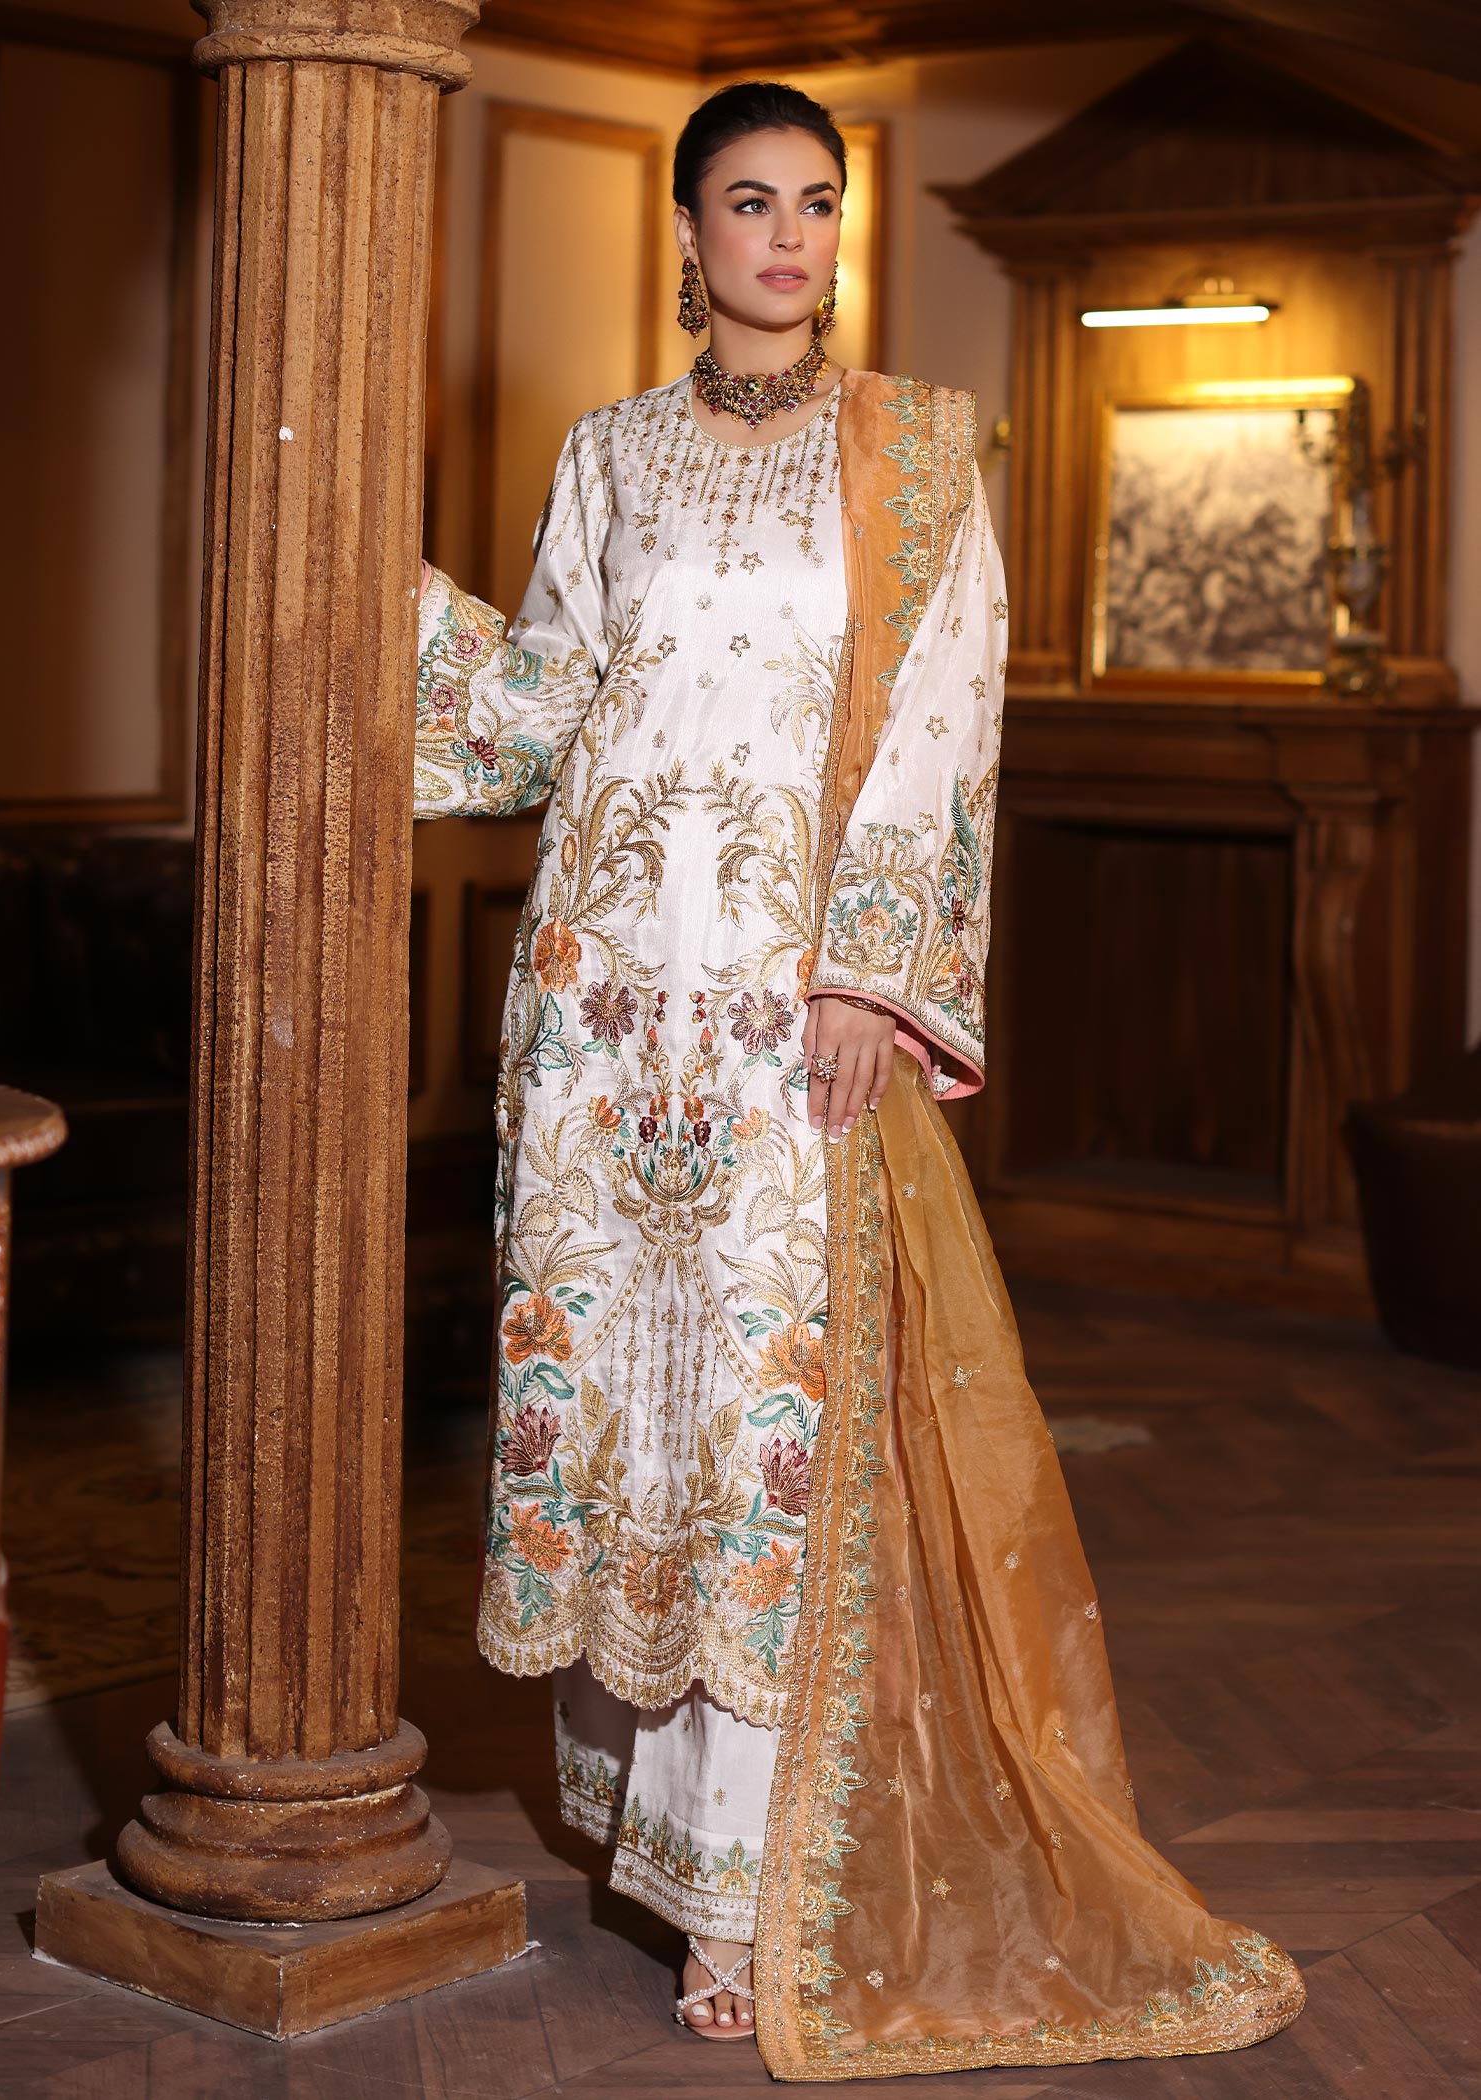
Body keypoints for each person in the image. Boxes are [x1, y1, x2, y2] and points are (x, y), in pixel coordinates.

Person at [414, 78, 1306, 2082]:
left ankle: (746, 1897)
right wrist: (355, 614)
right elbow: (541, 702)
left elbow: (943, 718)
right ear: (686, 232)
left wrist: (866, 980)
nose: (789, 238)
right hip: (604, 1014)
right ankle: (662, 1840)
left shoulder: (914, 455)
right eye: (750, 203)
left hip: (782, 1015)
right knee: (632, 1408)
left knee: (768, 1422)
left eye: (816, 203)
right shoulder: (609, 455)